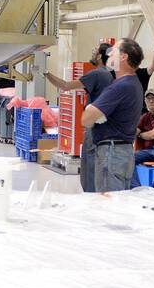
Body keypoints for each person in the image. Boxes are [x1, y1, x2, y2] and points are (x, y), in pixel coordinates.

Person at [45, 42, 113, 192]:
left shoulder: (96, 74)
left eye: (94, 50)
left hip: (94, 128)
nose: (92, 52)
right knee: (97, 168)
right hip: (105, 128)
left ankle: (90, 199)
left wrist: (46, 73)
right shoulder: (109, 74)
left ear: (100, 56)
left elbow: (66, 86)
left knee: (88, 170)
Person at [82, 38, 145, 192]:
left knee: (108, 207)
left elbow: (86, 119)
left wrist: (91, 110)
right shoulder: (134, 83)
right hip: (123, 152)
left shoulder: (120, 86)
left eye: (114, 51)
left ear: (124, 57)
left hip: (111, 154)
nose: (109, 54)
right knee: (118, 204)